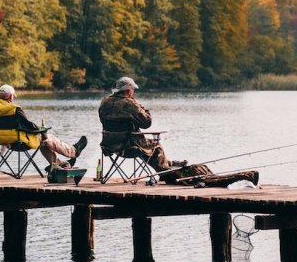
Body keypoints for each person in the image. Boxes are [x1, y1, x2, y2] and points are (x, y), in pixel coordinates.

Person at [98, 76, 258, 187]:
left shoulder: (104, 102)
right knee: (156, 146)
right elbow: (147, 123)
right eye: (133, 91)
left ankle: (170, 166)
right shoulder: (130, 104)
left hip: (110, 146)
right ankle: (168, 170)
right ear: (129, 91)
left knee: (151, 150)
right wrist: (139, 105)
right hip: (129, 146)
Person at [0, 85, 87, 168]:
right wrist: (40, 130)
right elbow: (28, 125)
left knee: (43, 142)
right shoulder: (14, 109)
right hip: (19, 142)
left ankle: (59, 165)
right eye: (13, 95)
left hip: (2, 142)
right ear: (10, 97)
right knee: (47, 138)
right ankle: (74, 151)